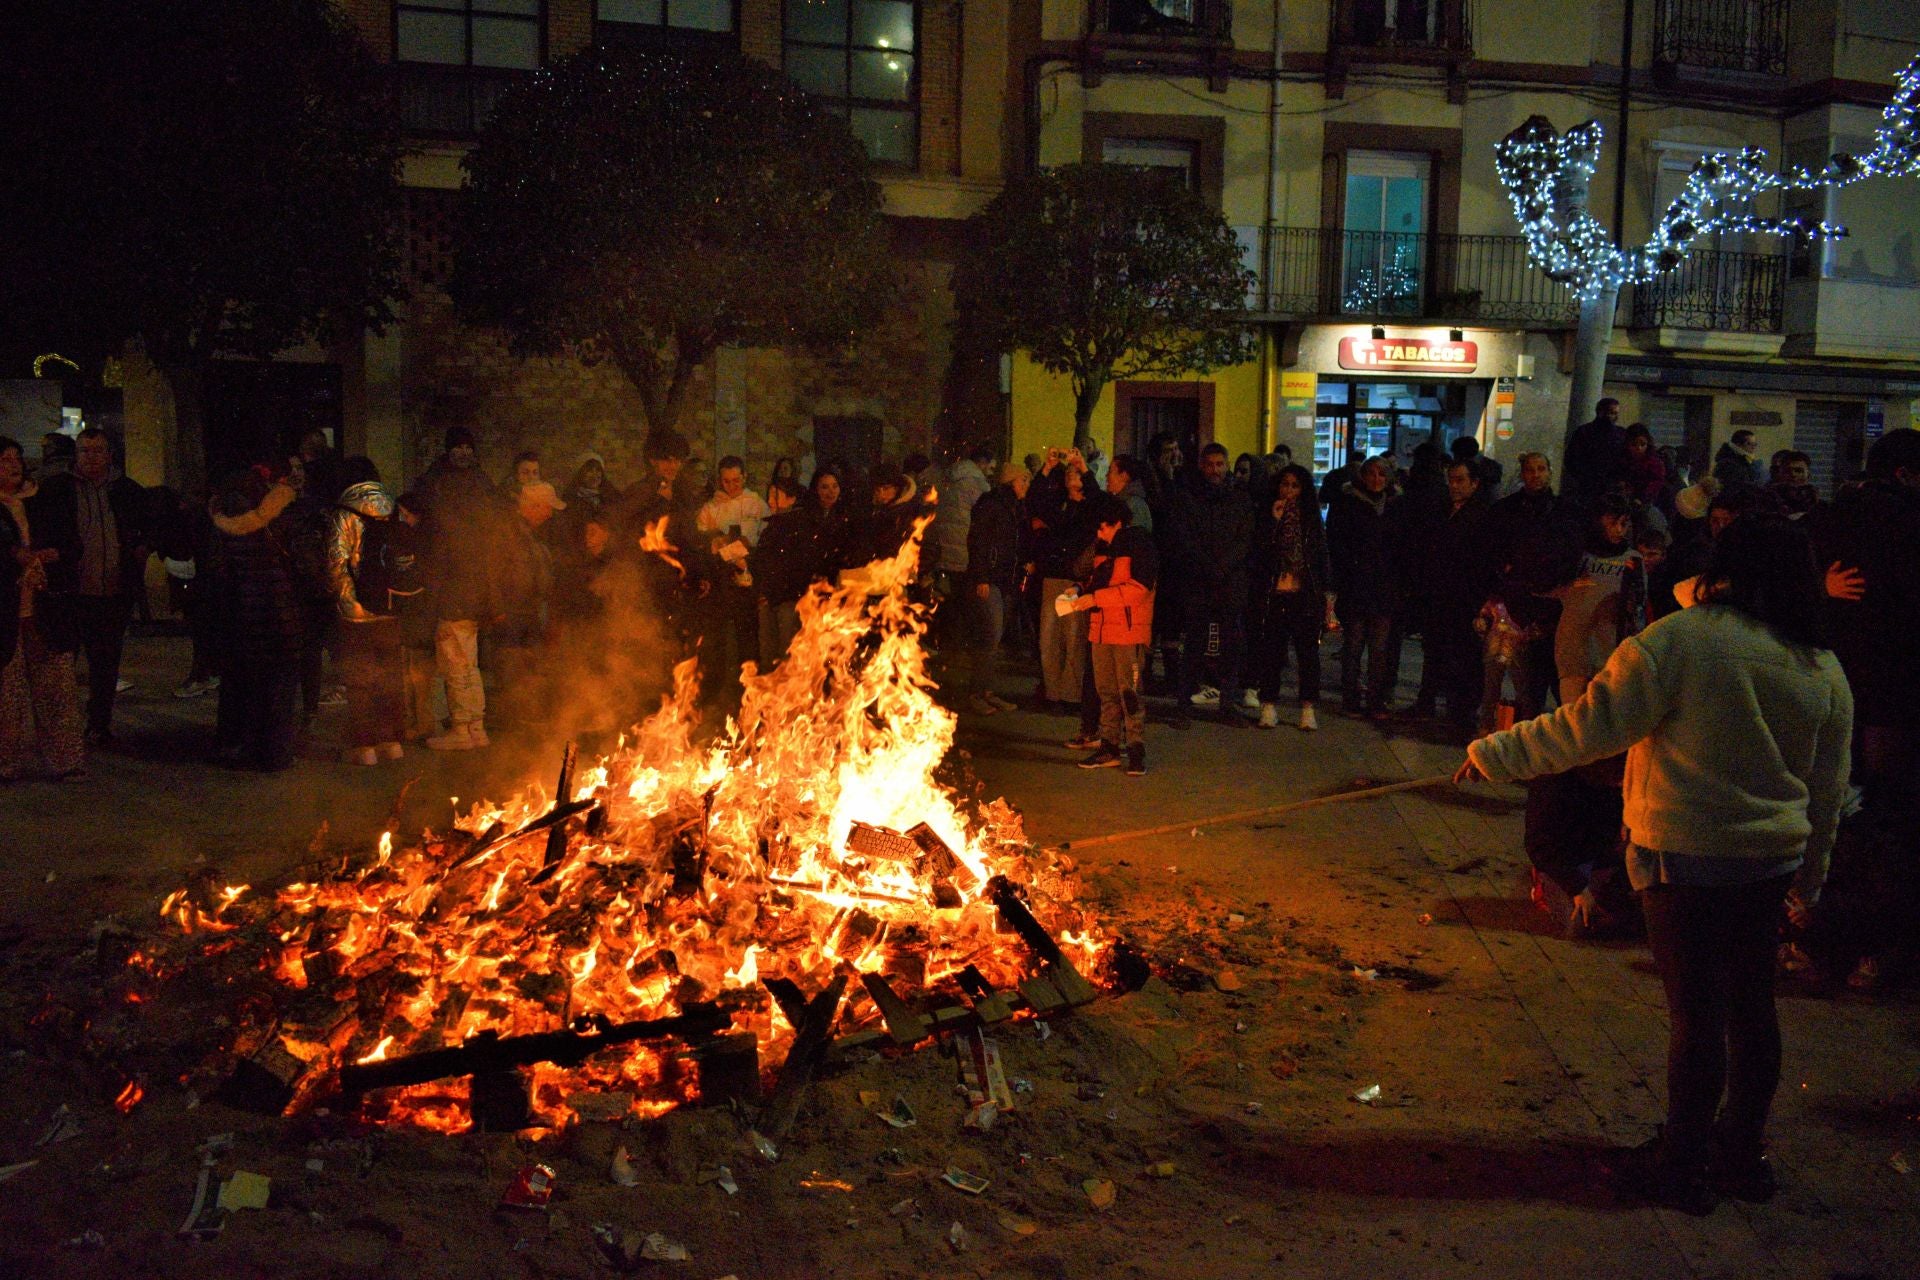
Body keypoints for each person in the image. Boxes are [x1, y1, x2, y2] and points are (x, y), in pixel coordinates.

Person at [1460, 516, 1852, 1214]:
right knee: (1750, 1011)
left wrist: (1495, 752)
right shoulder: (1820, 664)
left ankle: (1681, 1165)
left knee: (1697, 1017)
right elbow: (1827, 789)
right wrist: (1809, 881)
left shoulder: (1684, 640)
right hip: (1767, 862)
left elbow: (1588, 726)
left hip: (1688, 858)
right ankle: (1738, 1156)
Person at [26, 427, 151, 747]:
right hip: (71, 591)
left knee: (105, 664)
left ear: (109, 455)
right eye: (85, 450)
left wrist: (141, 548)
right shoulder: (56, 490)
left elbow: (148, 526)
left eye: (98, 450)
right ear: (76, 454)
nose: (91, 457)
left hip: (113, 592)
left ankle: (99, 724)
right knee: (63, 663)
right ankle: (59, 729)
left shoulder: (127, 490)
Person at [206, 462, 307, 772]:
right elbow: (302, 564)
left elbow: (216, 573)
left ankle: (240, 746)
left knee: (242, 683)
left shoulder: (218, 522)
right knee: (278, 685)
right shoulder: (278, 518)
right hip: (278, 613)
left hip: (238, 616)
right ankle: (276, 753)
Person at [0, 438, 85, 780]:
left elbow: (71, 543)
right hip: (6, 610)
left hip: (45, 609)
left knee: (56, 688)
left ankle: (66, 760)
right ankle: (6, 761)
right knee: (7, 693)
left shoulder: (43, 500)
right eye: (4, 459)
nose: (13, 464)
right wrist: (12, 557)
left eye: (16, 458)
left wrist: (54, 555)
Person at [418, 428, 502, 750]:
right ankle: (475, 728)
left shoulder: (444, 499)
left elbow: (437, 554)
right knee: (468, 662)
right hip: (472, 595)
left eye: (468, 447)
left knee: (456, 662)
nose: (463, 453)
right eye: (458, 448)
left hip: (456, 597)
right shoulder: (478, 491)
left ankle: (463, 729)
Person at [1480, 451, 1574, 726]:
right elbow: (1491, 550)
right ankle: (1494, 725)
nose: (1536, 475)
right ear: (1523, 474)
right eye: (1530, 470)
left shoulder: (1562, 510)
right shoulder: (1506, 510)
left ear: (1549, 472)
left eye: (1541, 469)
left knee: (1540, 674)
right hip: (1513, 603)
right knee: (1504, 671)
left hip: (1548, 605)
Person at [1066, 493, 1156, 775]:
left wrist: (1095, 599)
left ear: (1117, 522)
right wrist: (1080, 591)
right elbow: (1095, 582)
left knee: (1128, 693)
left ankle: (1136, 750)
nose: (1098, 532)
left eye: (1102, 526)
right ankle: (1109, 747)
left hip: (1128, 633)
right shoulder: (1104, 549)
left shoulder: (1139, 544)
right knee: (1106, 692)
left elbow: (1139, 590)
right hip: (1102, 631)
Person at [1402, 458, 1492, 734]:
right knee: (1434, 651)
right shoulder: (1441, 509)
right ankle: (1427, 701)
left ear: (1474, 483)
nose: (1453, 486)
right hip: (1438, 595)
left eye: (1459, 480)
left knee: (1463, 656)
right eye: (1451, 480)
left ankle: (1461, 710)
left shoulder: (1481, 515)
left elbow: (1481, 561)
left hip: (1464, 597)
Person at [1166, 443, 1254, 728]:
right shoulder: (1188, 497)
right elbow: (1184, 538)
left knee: (1233, 645)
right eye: (1210, 464)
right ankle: (1184, 704)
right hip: (1198, 581)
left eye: (1219, 464)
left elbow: (1245, 538)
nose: (1215, 470)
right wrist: (1208, 565)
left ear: (1226, 465)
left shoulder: (1240, 498)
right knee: (1193, 645)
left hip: (1230, 582)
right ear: (1202, 466)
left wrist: (1224, 565)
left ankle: (1227, 703)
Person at [327, 473, 409, 765]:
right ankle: (392, 742)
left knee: (360, 680)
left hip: (358, 615)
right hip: (389, 605)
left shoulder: (344, 513)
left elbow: (336, 564)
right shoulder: (391, 508)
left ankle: (365, 747)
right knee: (389, 677)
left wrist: (350, 605)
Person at [1249, 464, 1334, 732]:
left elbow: (1321, 555)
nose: (1288, 491)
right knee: (1272, 651)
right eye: (1285, 484)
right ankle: (1269, 705)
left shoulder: (1311, 519)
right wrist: (1273, 522)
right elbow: (1259, 553)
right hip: (1274, 593)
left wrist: (1327, 592)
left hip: (1304, 593)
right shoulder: (1266, 515)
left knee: (1307, 653)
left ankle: (1308, 707)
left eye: (1294, 486)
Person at [1325, 456, 1403, 719]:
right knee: (1354, 643)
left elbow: (1402, 544)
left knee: (1380, 648)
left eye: (1382, 474)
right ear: (1363, 476)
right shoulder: (1348, 502)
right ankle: (1350, 698)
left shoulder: (1394, 504)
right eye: (1371, 474)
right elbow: (1337, 542)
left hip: (1384, 586)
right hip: (1356, 584)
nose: (1377, 480)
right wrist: (1350, 569)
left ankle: (1376, 700)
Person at [1030, 449, 1099, 709]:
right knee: (1049, 638)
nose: (1073, 476)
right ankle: (1053, 693)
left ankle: (1071, 695)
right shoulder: (1059, 503)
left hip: (1075, 579)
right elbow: (1036, 501)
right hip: (1053, 576)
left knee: (1073, 638)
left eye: (1077, 473)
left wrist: (1083, 466)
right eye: (1069, 472)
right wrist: (1047, 468)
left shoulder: (1090, 507)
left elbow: (1097, 497)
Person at [963, 463, 1028, 715]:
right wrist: (981, 576)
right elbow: (978, 540)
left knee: (994, 637)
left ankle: (986, 691)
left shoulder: (1013, 506)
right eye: (1023, 481)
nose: (1026, 486)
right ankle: (976, 693)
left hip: (1003, 580)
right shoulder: (991, 504)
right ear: (1011, 481)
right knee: (988, 637)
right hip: (988, 580)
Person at [749, 476, 813, 666]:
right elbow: (762, 562)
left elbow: (795, 568)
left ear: (791, 499)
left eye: (775, 495)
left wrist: (774, 592)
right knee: (767, 651)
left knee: (785, 653)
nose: (770, 500)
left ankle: (785, 692)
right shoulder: (771, 527)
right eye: (769, 495)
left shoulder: (800, 527)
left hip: (787, 601)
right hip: (768, 599)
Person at [930, 445, 992, 580]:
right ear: (982, 463)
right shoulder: (977, 483)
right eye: (990, 467)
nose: (991, 473)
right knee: (963, 594)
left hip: (943, 548)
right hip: (964, 549)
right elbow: (986, 515)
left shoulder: (948, 478)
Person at [1563, 397, 1625, 502]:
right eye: (1612, 413)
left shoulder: (1621, 434)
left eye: (1616, 413)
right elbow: (1572, 459)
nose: (1615, 417)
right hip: (1589, 487)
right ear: (1601, 412)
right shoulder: (1584, 432)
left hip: (1609, 486)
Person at [1621, 424, 1668, 507]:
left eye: (1643, 444)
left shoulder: (1654, 463)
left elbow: (1656, 484)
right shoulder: (1623, 460)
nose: (1639, 448)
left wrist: (1642, 498)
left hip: (1647, 503)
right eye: (1634, 444)